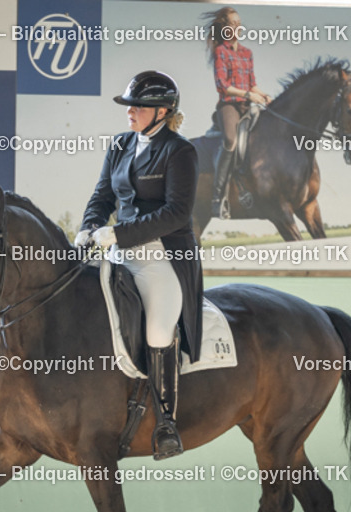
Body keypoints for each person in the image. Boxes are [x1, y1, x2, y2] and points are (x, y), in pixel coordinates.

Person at [76, 71, 203, 460]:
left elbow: (177, 213)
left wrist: (119, 234)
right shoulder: (119, 145)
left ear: (163, 111)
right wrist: (89, 227)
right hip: (117, 250)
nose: (130, 112)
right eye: (129, 105)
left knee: (158, 328)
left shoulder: (179, 152)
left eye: (139, 106)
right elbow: (102, 195)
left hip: (161, 255)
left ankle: (166, 422)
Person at [204, 7, 272, 220]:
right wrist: (248, 95)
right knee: (230, 141)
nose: (237, 27)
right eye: (233, 24)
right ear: (224, 28)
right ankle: (217, 197)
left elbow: (253, 84)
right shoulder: (220, 52)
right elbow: (223, 86)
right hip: (229, 106)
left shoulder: (247, 53)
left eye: (239, 23)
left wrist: (265, 96)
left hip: (247, 104)